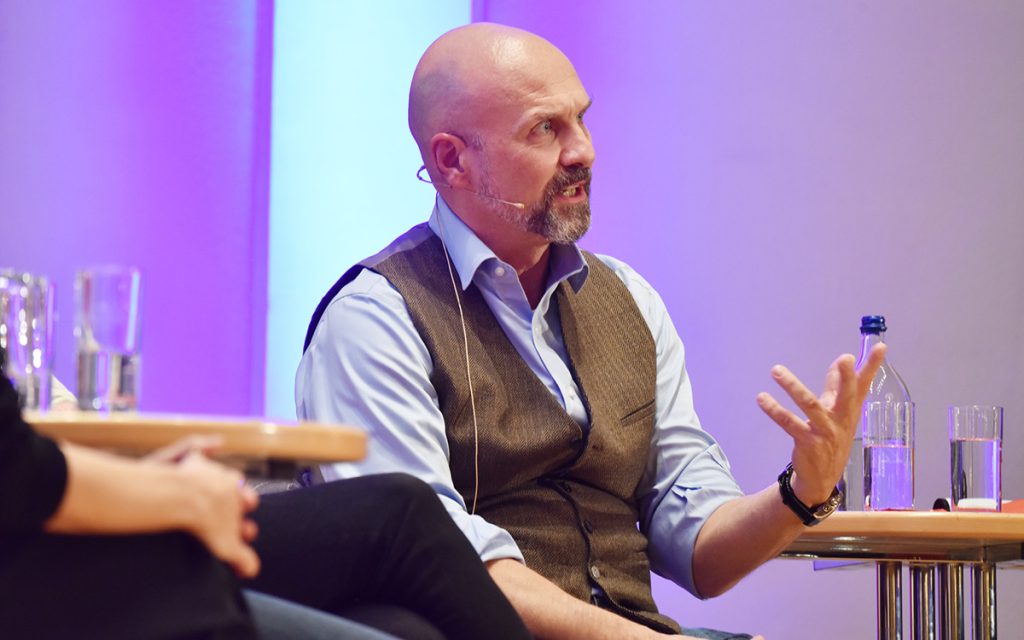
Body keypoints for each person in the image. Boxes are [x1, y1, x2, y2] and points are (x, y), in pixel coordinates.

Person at [296, 22, 886, 640]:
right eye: (544, 128)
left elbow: (700, 552)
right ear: (453, 161)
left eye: (580, 118)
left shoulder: (629, 299)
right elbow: (432, 561)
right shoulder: (375, 319)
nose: (583, 151)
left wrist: (802, 492)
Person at [0, 347, 531, 640]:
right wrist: (176, 496)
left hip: (46, 516)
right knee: (399, 512)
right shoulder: (382, 304)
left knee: (404, 626)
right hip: (34, 552)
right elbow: (17, 466)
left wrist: (145, 480)